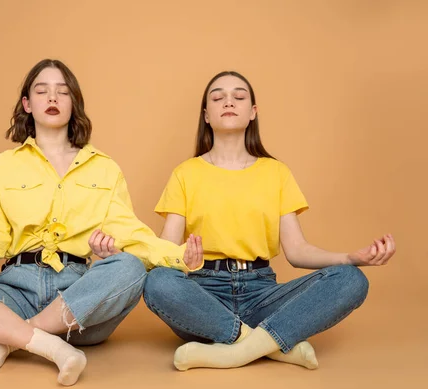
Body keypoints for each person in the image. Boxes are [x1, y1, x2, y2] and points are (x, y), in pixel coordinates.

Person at [0, 59, 202, 386]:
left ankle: (6, 341)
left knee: (128, 266)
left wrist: (178, 256)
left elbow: (131, 233)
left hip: (79, 304)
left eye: (62, 92)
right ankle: (52, 347)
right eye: (42, 91)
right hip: (13, 293)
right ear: (27, 104)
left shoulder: (105, 168)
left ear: (74, 103)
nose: (52, 98)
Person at [139, 71, 396, 371]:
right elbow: (166, 250)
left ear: (253, 112)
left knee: (351, 279)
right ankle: (267, 344)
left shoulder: (276, 173)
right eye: (218, 97)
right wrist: (181, 257)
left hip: (261, 293)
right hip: (204, 294)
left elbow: (297, 251)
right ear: (206, 115)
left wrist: (351, 257)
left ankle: (232, 350)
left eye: (239, 96)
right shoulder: (185, 173)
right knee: (158, 282)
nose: (228, 102)